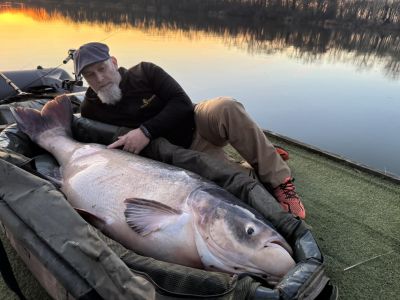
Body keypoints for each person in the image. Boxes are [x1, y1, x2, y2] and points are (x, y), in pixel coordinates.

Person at [73, 42, 306, 219]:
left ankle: (280, 182)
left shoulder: (145, 71)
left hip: (197, 122)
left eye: (102, 68)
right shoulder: (90, 110)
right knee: (242, 184)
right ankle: (261, 157)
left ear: (113, 62)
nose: (100, 78)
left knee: (226, 106)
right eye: (90, 75)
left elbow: (182, 103)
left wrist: (145, 131)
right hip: (184, 155)